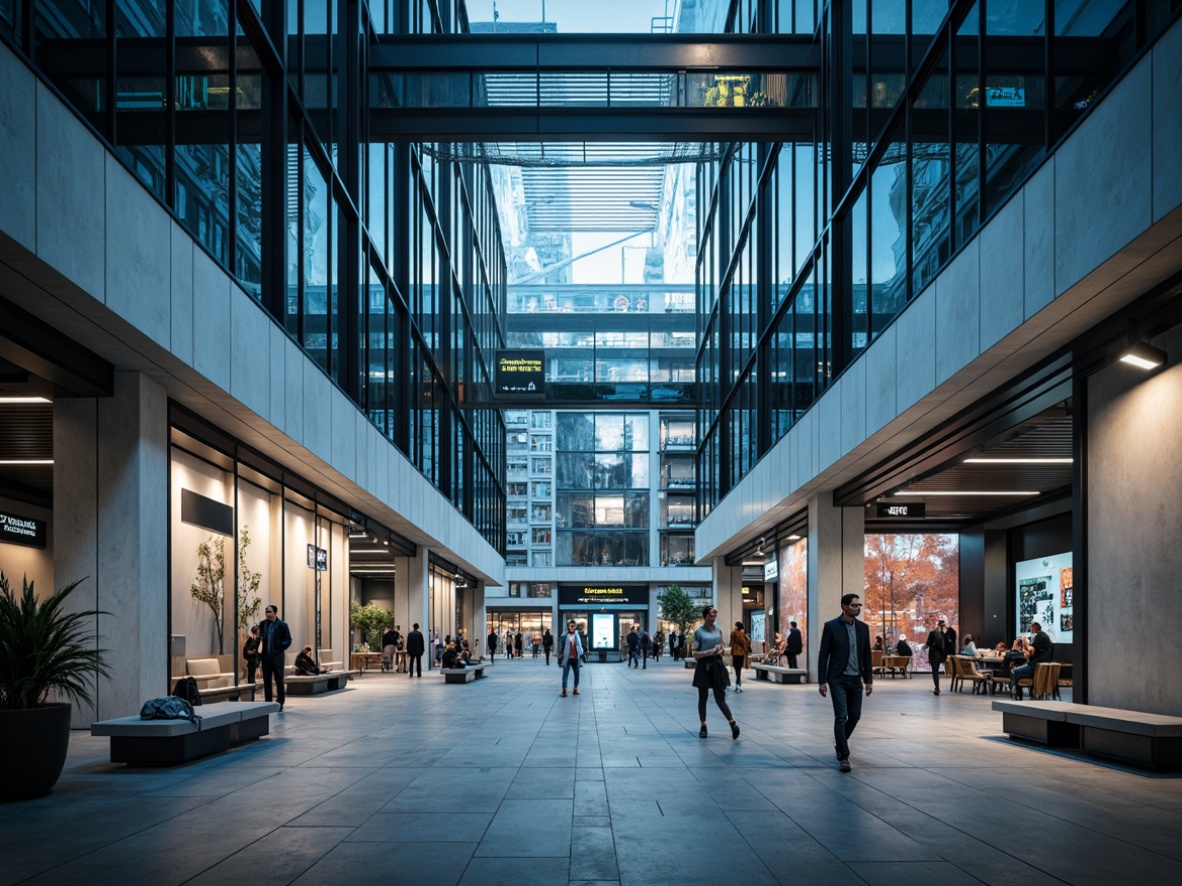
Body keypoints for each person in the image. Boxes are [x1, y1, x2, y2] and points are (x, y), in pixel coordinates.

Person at [817, 593, 873, 771]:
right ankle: (843, 756)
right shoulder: (831, 626)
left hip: (856, 679)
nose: (857, 608)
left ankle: (840, 743)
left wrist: (868, 680)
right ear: (844, 607)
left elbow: (867, 656)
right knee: (841, 717)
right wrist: (822, 681)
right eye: (853, 605)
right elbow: (823, 655)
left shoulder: (863, 628)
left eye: (858, 606)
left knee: (855, 716)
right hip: (837, 679)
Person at [692, 606, 739, 739]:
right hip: (703, 665)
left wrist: (721, 650)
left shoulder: (718, 630)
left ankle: (732, 723)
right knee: (703, 697)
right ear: (705, 616)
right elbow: (695, 654)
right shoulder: (699, 632)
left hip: (717, 664)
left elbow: (722, 647)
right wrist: (709, 651)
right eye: (710, 616)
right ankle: (703, 725)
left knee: (720, 697)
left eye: (714, 617)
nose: (712, 619)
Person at [259, 604, 292, 711]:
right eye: (266, 612)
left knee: (279, 681)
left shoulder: (282, 625)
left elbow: (288, 639)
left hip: (277, 657)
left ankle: (280, 703)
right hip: (266, 658)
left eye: (270, 612)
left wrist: (280, 648)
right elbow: (259, 639)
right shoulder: (262, 624)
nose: (268, 614)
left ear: (275, 613)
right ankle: (268, 703)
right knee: (267, 682)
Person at [1010, 622, 1054, 700]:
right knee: (1017, 669)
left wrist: (1024, 642)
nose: (1030, 629)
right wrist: (1024, 647)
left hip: (1035, 666)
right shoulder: (1042, 636)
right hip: (1037, 665)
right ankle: (1028, 692)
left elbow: (1030, 649)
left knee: (1014, 671)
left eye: (1031, 628)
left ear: (1033, 628)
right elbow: (1030, 652)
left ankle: (1018, 695)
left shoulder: (1040, 636)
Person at [559, 620, 583, 697]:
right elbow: (560, 647)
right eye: (571, 626)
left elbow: (580, 646)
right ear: (568, 626)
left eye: (573, 626)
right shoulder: (564, 635)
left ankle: (575, 688)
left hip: (576, 658)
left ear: (575, 626)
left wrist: (581, 657)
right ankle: (564, 690)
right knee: (565, 674)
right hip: (567, 658)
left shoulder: (577, 635)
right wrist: (560, 658)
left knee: (577, 674)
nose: (572, 627)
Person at [925, 619, 948, 695]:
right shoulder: (944, 635)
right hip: (941, 655)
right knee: (936, 671)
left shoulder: (932, 633)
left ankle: (937, 687)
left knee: (935, 672)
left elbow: (927, 644)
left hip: (933, 654)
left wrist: (924, 647)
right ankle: (937, 686)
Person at [729, 621, 749, 692]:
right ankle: (738, 684)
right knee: (738, 669)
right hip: (741, 653)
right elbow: (747, 640)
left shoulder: (735, 633)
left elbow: (733, 641)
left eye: (736, 625)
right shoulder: (742, 633)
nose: (735, 627)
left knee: (737, 669)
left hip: (736, 653)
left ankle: (738, 684)